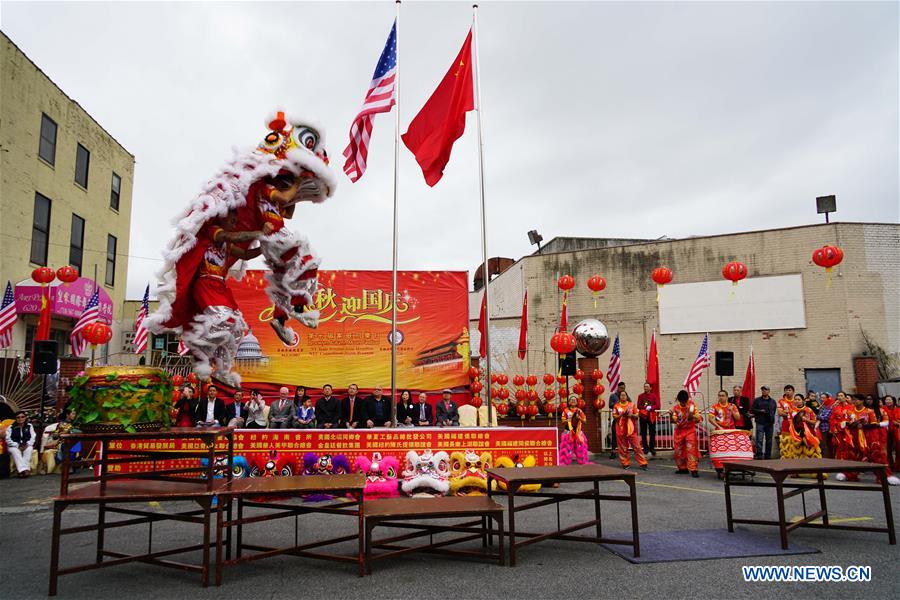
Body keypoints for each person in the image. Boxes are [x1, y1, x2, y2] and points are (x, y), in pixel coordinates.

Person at [836, 394, 899, 486]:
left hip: (869, 436)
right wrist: (849, 424)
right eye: (853, 400)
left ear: (862, 401)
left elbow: (874, 424)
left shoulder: (869, 411)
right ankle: (849, 474)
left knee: (876, 455)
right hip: (854, 436)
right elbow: (846, 423)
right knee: (852, 455)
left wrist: (863, 426)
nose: (854, 402)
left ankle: (885, 476)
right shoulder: (849, 411)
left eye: (856, 400)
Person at [779, 393, 822, 466]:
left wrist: (806, 420)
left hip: (808, 434)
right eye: (795, 399)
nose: (796, 401)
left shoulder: (808, 410)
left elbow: (814, 422)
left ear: (803, 401)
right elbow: (790, 422)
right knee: (796, 452)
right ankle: (795, 469)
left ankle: (813, 468)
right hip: (796, 434)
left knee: (809, 451)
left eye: (799, 399)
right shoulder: (791, 410)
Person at [708, 390, 742, 477]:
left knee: (731, 449)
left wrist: (732, 411)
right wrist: (719, 427)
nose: (721, 397)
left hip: (731, 431)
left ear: (727, 397)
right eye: (719, 395)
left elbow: (738, 418)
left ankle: (731, 467)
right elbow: (710, 419)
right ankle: (720, 469)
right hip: (719, 431)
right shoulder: (714, 407)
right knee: (720, 450)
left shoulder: (732, 406)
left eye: (723, 395)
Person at [612, 390, 647, 470]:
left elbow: (637, 415)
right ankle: (625, 463)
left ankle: (643, 463)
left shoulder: (632, 405)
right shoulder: (616, 406)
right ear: (619, 397)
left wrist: (631, 415)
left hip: (631, 430)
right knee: (623, 448)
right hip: (620, 430)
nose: (623, 397)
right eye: (621, 395)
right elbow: (614, 417)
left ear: (627, 396)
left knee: (637, 446)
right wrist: (620, 415)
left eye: (624, 395)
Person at [670, 390, 702, 477]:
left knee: (691, 450)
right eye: (682, 402)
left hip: (690, 430)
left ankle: (693, 469)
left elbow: (698, 418)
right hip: (679, 431)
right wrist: (670, 415)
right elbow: (674, 420)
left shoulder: (692, 405)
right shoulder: (675, 408)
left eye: (685, 402)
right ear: (679, 400)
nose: (683, 403)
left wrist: (692, 415)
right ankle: (682, 468)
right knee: (678, 451)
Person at [559, 394, 589, 465]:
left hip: (578, 433)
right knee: (567, 449)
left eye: (574, 400)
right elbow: (562, 421)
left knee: (580, 449)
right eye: (571, 400)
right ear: (569, 402)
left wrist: (579, 418)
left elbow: (585, 421)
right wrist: (568, 420)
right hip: (568, 432)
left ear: (576, 402)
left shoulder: (579, 411)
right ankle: (565, 463)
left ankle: (582, 462)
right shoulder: (566, 411)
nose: (573, 401)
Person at [5, 411, 35, 477]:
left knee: (29, 449)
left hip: (26, 444)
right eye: (18, 417)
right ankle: (24, 470)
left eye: (22, 417)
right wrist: (17, 445)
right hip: (13, 446)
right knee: (16, 451)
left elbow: (33, 436)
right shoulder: (11, 427)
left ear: (25, 418)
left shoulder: (29, 426)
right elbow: (8, 439)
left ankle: (22, 471)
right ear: (15, 419)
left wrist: (27, 444)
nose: (20, 419)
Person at [751, 386, 776, 459]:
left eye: (765, 390)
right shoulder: (757, 400)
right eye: (762, 390)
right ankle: (759, 455)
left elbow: (773, 411)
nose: (764, 391)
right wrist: (760, 411)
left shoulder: (773, 401)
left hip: (770, 423)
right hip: (760, 422)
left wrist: (771, 418)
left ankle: (768, 455)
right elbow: (752, 409)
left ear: (769, 391)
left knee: (769, 440)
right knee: (759, 439)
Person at [637, 382, 659, 456]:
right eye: (644, 386)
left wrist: (651, 407)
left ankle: (652, 448)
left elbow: (658, 405)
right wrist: (645, 408)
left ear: (650, 388)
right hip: (643, 416)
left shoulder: (654, 396)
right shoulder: (640, 396)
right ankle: (645, 448)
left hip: (651, 416)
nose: (645, 388)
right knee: (643, 432)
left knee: (652, 432)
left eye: (647, 386)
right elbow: (638, 405)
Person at [775, 385, 797, 457]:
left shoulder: (797, 401)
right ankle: (785, 456)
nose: (788, 392)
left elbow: (800, 412)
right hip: (785, 423)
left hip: (796, 424)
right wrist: (792, 414)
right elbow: (780, 413)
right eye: (786, 390)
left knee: (796, 441)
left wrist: (787, 413)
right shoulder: (781, 401)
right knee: (785, 441)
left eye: (790, 390)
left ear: (793, 391)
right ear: (784, 391)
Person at [608, 382, 626, 459]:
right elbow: (610, 405)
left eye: (624, 388)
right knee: (615, 435)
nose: (623, 389)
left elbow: (630, 403)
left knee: (624, 436)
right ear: (618, 388)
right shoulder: (613, 396)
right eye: (621, 388)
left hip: (625, 419)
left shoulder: (626, 395)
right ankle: (613, 451)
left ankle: (623, 452)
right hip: (616, 418)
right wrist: (617, 403)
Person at [816, 393, 835, 458]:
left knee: (824, 444)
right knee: (822, 444)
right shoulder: (822, 407)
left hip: (825, 429)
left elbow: (826, 417)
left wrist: (816, 416)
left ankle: (826, 459)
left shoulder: (830, 407)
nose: (822, 399)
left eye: (824, 398)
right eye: (821, 398)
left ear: (827, 398)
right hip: (820, 428)